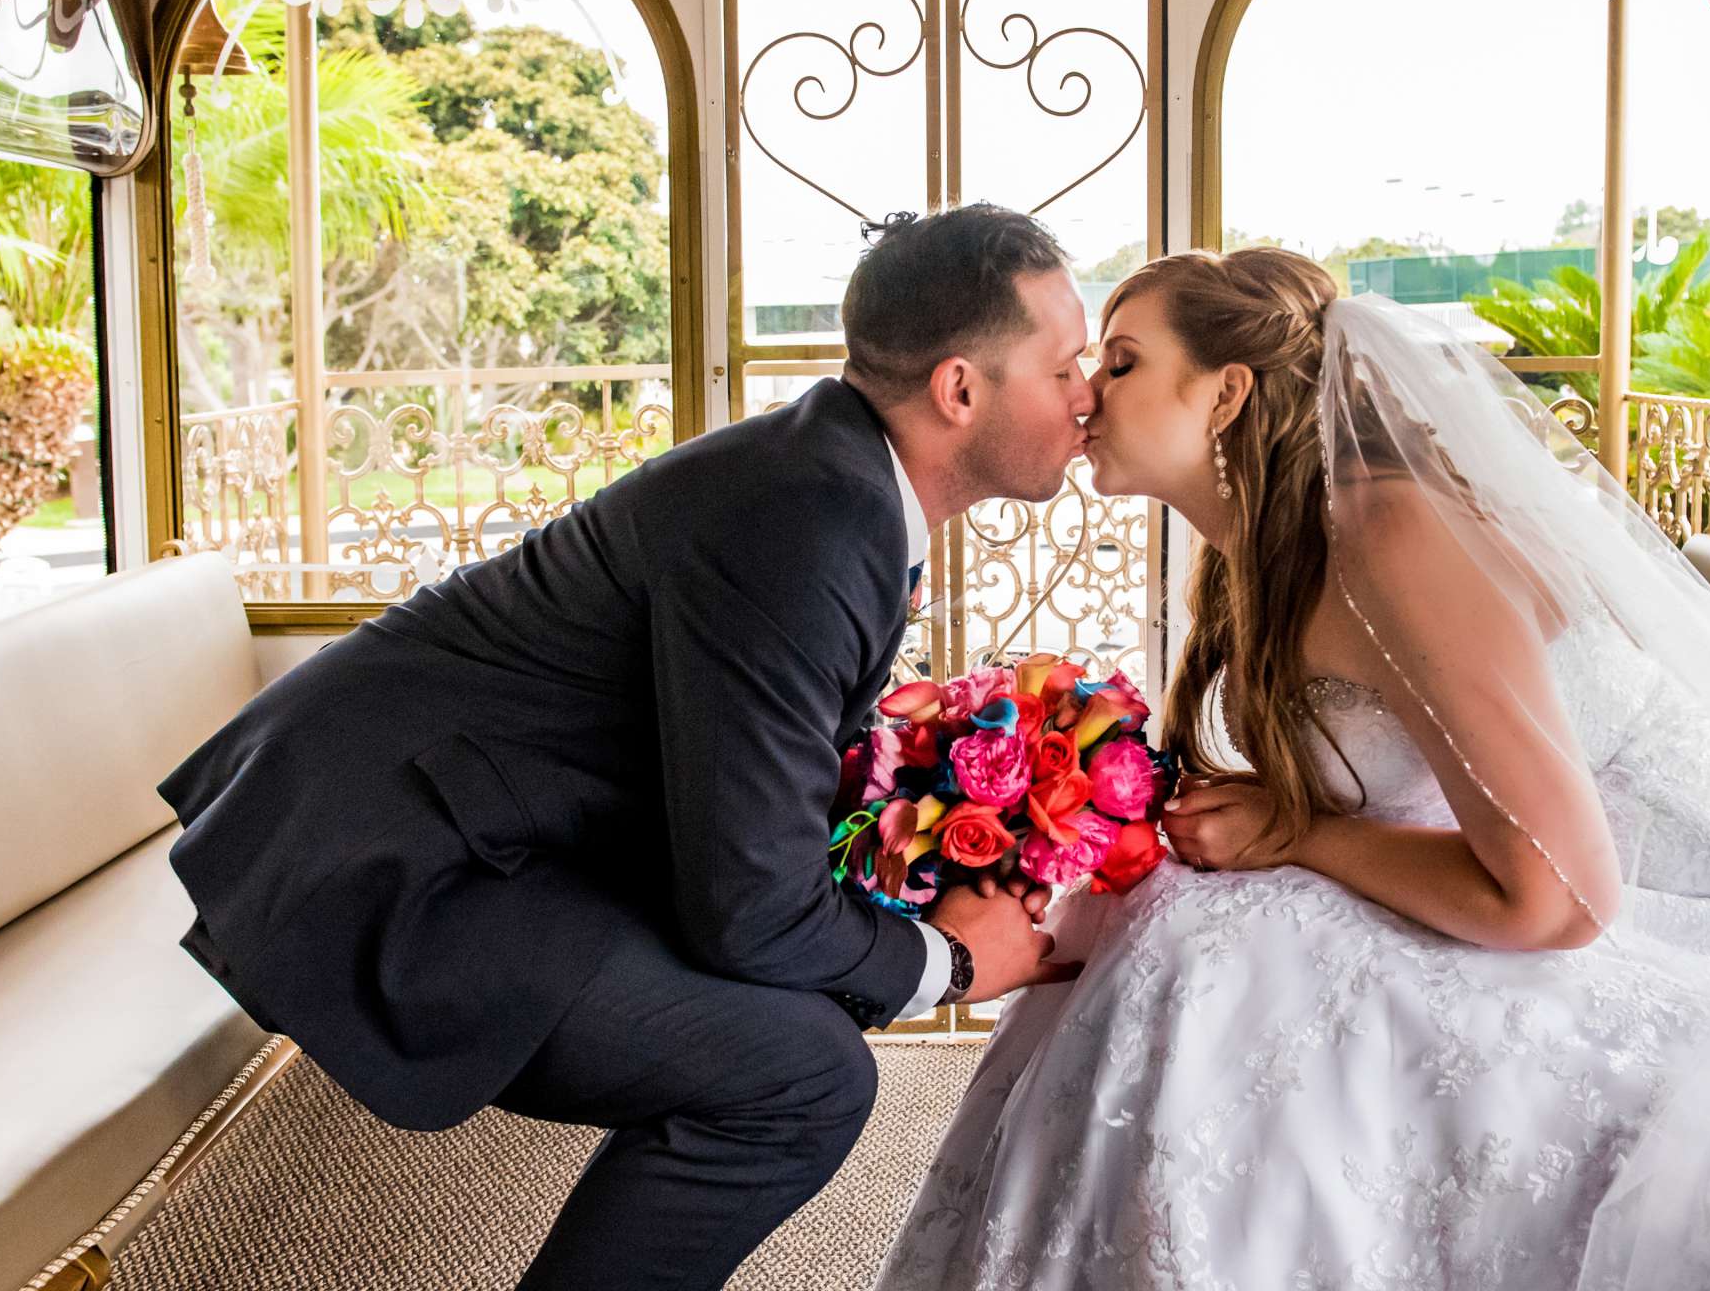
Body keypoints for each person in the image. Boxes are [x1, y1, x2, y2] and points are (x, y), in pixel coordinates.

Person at [875, 247, 1710, 1290]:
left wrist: (1294, 837)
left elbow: (1561, 896)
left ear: (1225, 396)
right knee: (1186, 943)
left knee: (1211, 964)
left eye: (1121, 356)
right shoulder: (1253, 558)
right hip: (1535, 889)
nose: (1088, 388)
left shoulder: (1388, 531)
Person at [159, 204, 1089, 1291]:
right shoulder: (812, 515)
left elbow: (754, 825)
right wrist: (952, 961)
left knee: (791, 1022)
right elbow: (749, 906)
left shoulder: (828, 479)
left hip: (479, 826)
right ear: (960, 388)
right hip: (388, 856)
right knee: (800, 1074)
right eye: (1066, 363)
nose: (1087, 394)